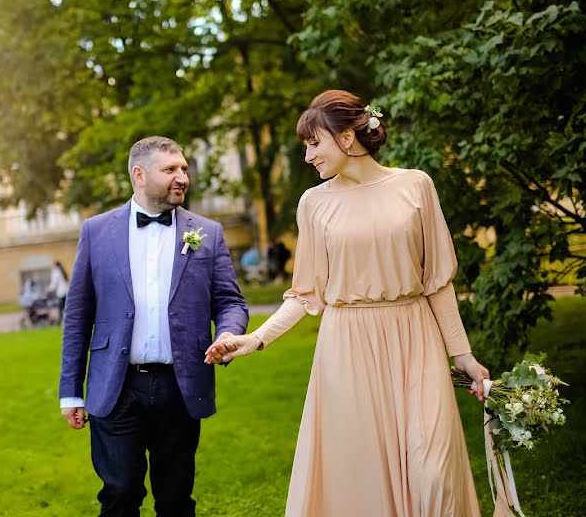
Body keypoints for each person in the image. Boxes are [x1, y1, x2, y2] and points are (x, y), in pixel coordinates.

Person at [205, 90, 489, 517]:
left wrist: (462, 354)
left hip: (416, 338)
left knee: (434, 467)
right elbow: (305, 294)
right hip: (348, 347)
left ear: (346, 137)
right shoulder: (314, 204)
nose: (307, 156)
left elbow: (437, 283)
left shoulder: (416, 185)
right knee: (361, 475)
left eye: (313, 143)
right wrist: (256, 339)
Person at [59, 136, 249, 517]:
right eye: (170, 170)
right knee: (120, 493)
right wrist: (70, 392)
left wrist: (228, 332)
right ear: (139, 175)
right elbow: (78, 315)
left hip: (181, 385)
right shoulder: (96, 232)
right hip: (116, 385)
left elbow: (230, 302)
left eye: (184, 169)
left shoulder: (207, 233)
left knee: (176, 498)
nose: (182, 177)